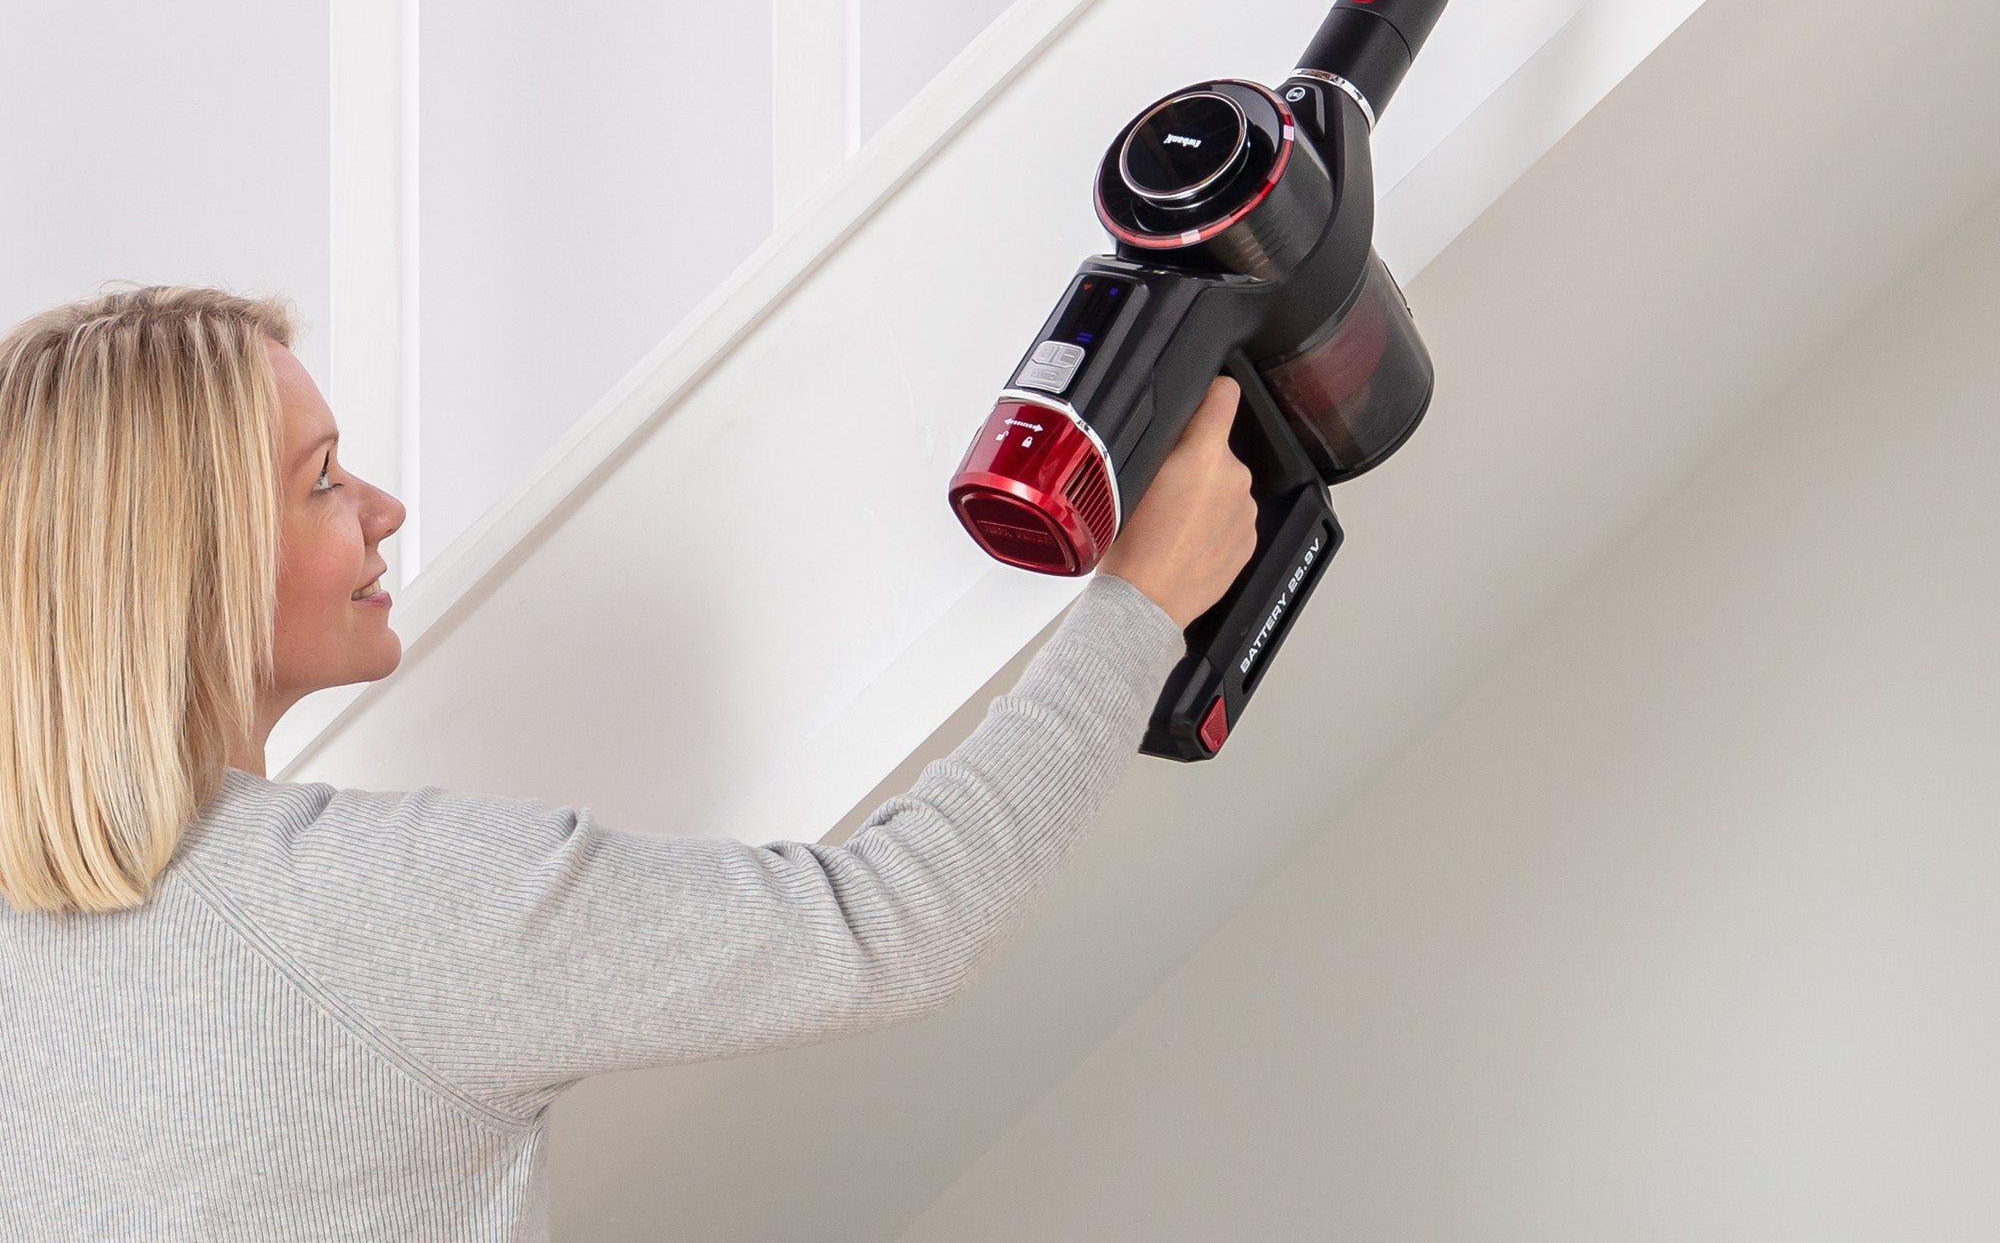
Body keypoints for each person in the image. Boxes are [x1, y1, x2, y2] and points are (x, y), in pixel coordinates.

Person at [0, 284, 1254, 1239]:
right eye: (321, 479)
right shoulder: (378, 909)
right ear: (192, 563)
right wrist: (1139, 598)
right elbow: (895, 920)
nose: (381, 506)